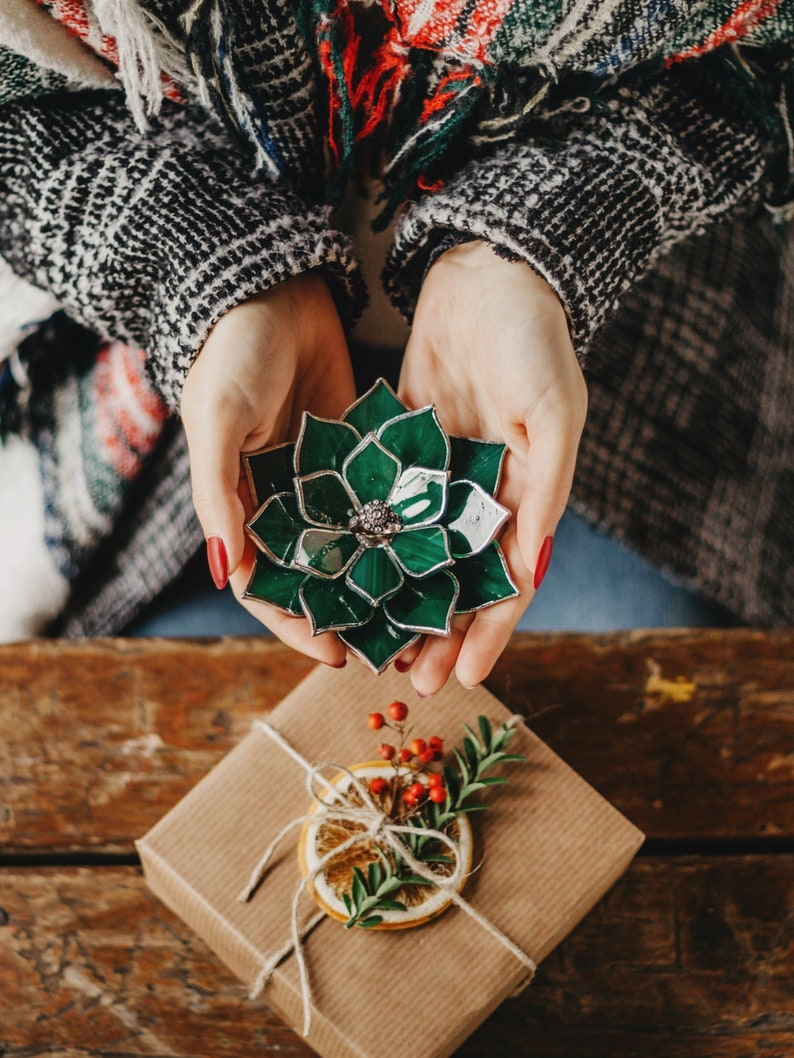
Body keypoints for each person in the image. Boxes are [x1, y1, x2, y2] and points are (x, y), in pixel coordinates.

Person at [0, 0, 792, 694]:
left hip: (622, 361)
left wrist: (545, 235)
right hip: (159, 419)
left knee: (641, 676)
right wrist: (208, 271)